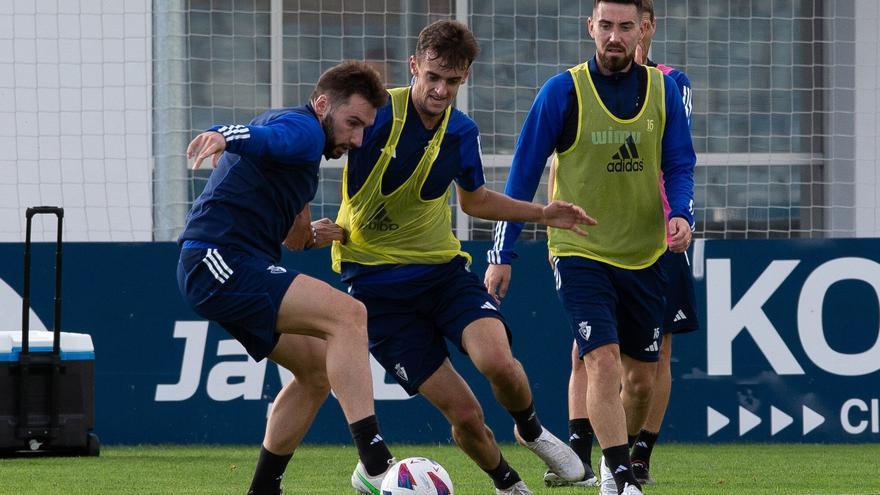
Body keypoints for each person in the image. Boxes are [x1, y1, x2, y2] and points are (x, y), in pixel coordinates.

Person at [326, 20, 592, 495]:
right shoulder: (375, 114)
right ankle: (508, 485)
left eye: (452, 81)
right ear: (414, 66)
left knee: (498, 360)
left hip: (442, 275)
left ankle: (531, 430)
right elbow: (315, 142)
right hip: (377, 289)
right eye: (432, 77)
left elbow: (475, 201)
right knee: (465, 414)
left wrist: (543, 213)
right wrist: (311, 224)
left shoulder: (462, 131)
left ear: (464, 77)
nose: (440, 89)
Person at [484, 0, 696, 493]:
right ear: (590, 28)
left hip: (645, 253)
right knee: (598, 358)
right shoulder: (562, 92)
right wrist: (502, 253)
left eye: (625, 27)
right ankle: (621, 477)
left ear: (642, 30)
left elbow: (680, 163)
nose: (615, 37)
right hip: (578, 249)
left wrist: (682, 212)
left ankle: (609, 461)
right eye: (606, 26)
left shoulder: (663, 89)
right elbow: (523, 175)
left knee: (641, 380)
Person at [176, 61, 397, 495]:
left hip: (233, 265)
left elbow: (295, 239)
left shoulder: (302, 157)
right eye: (352, 123)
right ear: (321, 105)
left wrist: (318, 234)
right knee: (349, 314)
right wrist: (224, 133)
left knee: (316, 372)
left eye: (364, 128)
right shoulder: (304, 131)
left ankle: (263, 488)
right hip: (216, 260)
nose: (356, 139)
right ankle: (375, 459)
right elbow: (262, 138)